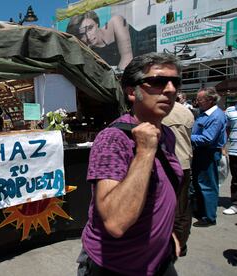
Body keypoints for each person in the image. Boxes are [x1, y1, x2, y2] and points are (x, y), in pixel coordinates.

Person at [78, 52, 183, 276]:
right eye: (157, 82)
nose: (171, 89)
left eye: (175, 82)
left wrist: (167, 232)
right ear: (131, 92)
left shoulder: (166, 134)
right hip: (116, 267)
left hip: (160, 259)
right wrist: (145, 152)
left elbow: (163, 190)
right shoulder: (113, 139)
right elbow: (115, 222)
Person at [191, 87, 227, 227]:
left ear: (210, 100)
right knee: (200, 183)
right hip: (201, 152)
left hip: (208, 153)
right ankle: (202, 211)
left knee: (208, 185)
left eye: (200, 99)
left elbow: (207, 138)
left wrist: (187, 136)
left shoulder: (216, 116)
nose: (197, 102)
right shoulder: (204, 113)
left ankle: (209, 217)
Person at [162, 101, 194, 256]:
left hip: (172, 163)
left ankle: (178, 244)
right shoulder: (186, 111)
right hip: (184, 161)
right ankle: (181, 243)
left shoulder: (164, 111)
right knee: (183, 206)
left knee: (176, 209)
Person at [66, 11, 133, 70]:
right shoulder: (90, 53)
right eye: (81, 34)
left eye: (90, 28)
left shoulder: (116, 21)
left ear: (97, 23)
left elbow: (127, 57)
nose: (88, 36)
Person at [223, 103, 237, 215]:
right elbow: (226, 130)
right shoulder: (230, 110)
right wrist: (223, 146)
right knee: (236, 179)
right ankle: (235, 204)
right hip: (234, 151)